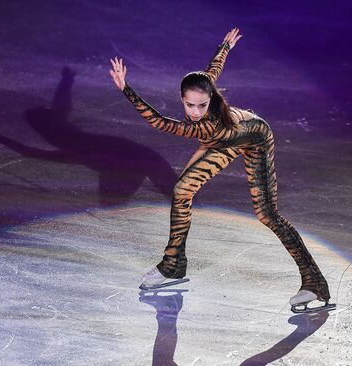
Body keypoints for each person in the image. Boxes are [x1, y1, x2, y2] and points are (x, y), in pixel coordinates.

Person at [109, 28, 334, 313]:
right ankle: (174, 264)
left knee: (267, 214)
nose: (195, 111)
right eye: (189, 105)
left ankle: (314, 282)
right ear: (182, 98)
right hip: (223, 141)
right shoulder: (204, 90)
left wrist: (126, 89)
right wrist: (225, 45)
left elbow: (161, 123)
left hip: (255, 138)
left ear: (210, 99)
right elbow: (212, 69)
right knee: (181, 191)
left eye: (201, 105)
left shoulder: (204, 123)